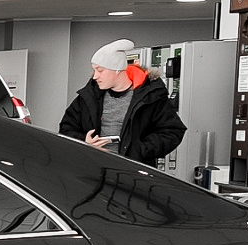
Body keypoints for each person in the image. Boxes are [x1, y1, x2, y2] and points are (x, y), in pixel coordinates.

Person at [58, 39, 186, 166]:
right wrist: (84, 141)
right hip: (94, 169)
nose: (95, 76)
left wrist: (140, 150)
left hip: (133, 172)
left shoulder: (151, 96)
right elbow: (66, 128)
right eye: (94, 70)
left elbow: (173, 131)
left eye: (100, 70)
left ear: (117, 70)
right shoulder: (88, 96)